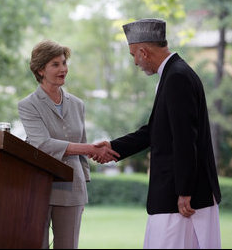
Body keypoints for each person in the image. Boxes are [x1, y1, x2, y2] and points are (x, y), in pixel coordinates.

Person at [93, 19, 222, 248]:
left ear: (144, 51)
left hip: (180, 199)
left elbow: (185, 139)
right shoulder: (174, 74)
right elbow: (154, 131)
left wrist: (184, 191)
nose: (135, 62)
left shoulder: (177, 77)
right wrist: (113, 147)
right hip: (175, 195)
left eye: (134, 55)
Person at [18, 40, 119, 249]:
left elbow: (80, 145)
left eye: (64, 62)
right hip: (39, 187)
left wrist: (83, 190)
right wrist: (91, 149)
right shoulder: (28, 105)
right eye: (55, 64)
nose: (63, 69)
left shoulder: (78, 104)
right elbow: (42, 144)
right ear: (40, 70)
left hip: (72, 189)